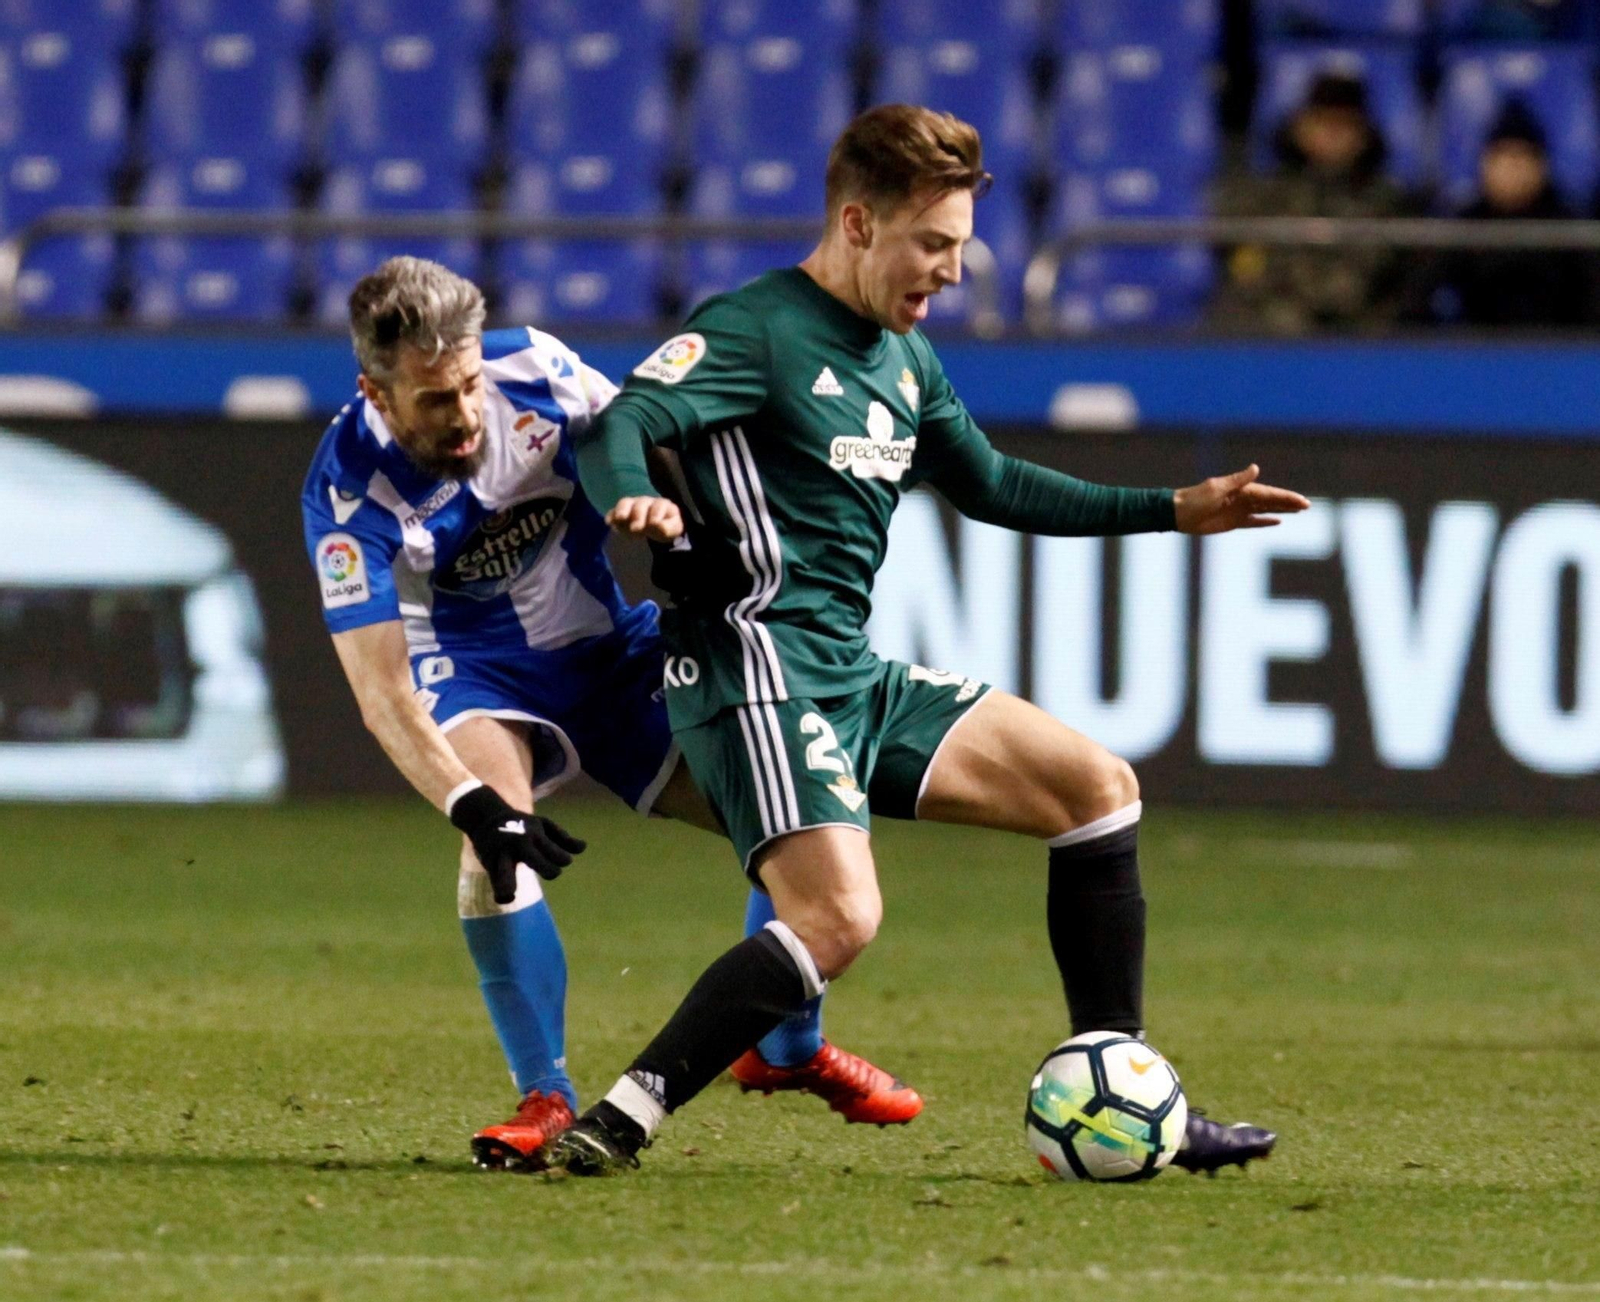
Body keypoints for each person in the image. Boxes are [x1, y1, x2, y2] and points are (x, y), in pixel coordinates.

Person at [543, 104, 1305, 1176]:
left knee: (1094, 790)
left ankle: (1128, 1096)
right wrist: (635, 502)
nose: (950, 272)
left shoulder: (904, 360)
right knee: (841, 917)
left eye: (959, 247)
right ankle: (619, 1120)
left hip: (845, 672)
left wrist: (1172, 507)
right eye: (932, 245)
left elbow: (993, 483)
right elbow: (622, 423)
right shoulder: (752, 329)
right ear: (856, 224)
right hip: (750, 662)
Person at [299, 257, 922, 1171]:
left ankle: (784, 1048)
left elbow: (643, 434)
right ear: (375, 392)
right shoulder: (346, 492)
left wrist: (681, 527)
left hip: (615, 652)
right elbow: (382, 689)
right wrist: (473, 803)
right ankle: (544, 1094)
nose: (465, 414)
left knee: (790, 810)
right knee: (492, 844)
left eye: (469, 384)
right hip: (473, 672)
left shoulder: (540, 370)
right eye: (435, 400)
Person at [1213, 70, 1412, 334]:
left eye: (1344, 124)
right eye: (1322, 121)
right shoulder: (1261, 196)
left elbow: (1375, 281)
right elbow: (1245, 269)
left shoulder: (1389, 203)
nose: (1332, 134)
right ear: (1300, 127)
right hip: (1273, 337)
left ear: (1364, 135)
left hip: (1356, 344)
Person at [1420, 100, 1592, 328]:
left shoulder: (1568, 227)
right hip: (1475, 353)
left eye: (1523, 156)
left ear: (1542, 166)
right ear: (1485, 164)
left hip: (1558, 353)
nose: (1513, 167)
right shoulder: (1464, 225)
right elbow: (1421, 297)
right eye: (1503, 155)